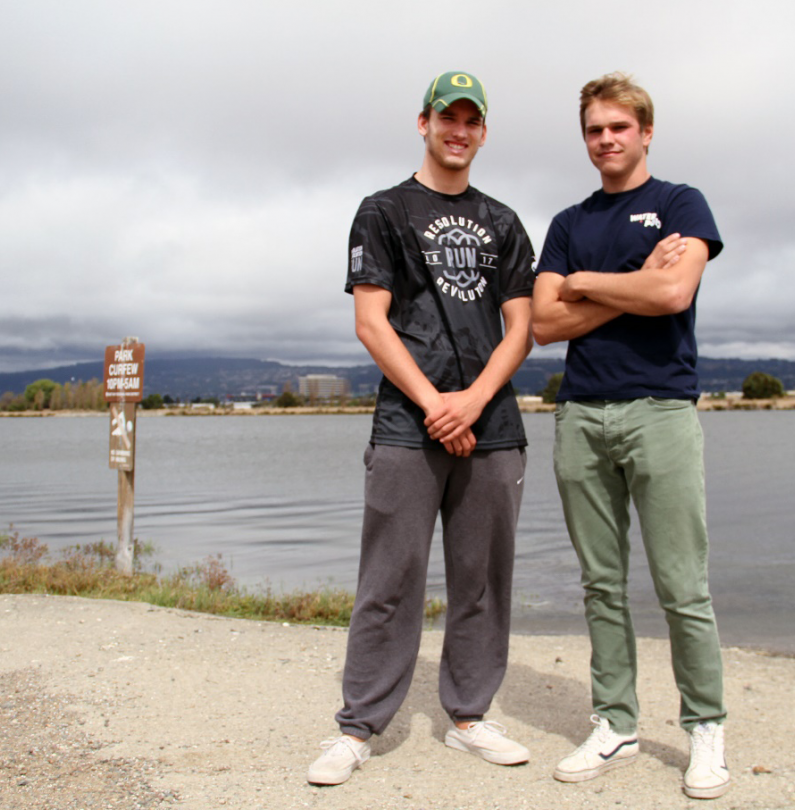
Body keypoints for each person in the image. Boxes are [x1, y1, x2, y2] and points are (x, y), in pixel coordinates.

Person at [306, 70, 536, 787]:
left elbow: (521, 328)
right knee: (389, 579)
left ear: (483, 132)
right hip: (408, 426)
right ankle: (356, 728)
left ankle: (468, 716)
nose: (457, 130)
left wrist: (470, 402)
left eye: (470, 120)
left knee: (481, 582)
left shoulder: (503, 221)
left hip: (492, 427)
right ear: (424, 122)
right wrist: (437, 403)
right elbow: (370, 321)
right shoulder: (382, 210)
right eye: (447, 117)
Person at [531, 72, 730, 799]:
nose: (605, 140)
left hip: (661, 412)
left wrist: (582, 284)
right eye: (593, 129)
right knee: (600, 585)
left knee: (682, 585)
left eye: (618, 127)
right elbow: (543, 327)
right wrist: (624, 282)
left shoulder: (680, 203)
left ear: (645, 132)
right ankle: (614, 722)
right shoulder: (567, 222)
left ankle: (704, 728)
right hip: (581, 415)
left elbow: (673, 292)